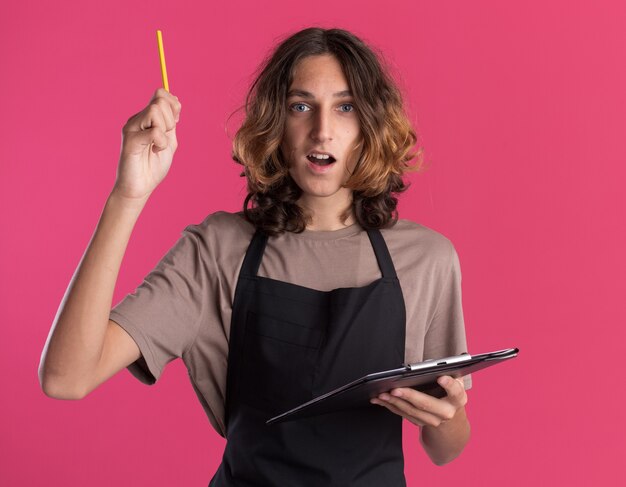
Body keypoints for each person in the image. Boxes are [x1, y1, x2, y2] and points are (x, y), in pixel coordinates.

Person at [39, 27, 472, 485]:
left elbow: (446, 450)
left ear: (371, 123)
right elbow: (66, 378)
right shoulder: (217, 249)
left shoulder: (427, 259)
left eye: (344, 107)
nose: (322, 130)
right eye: (300, 106)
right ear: (276, 123)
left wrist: (445, 418)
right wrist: (127, 195)